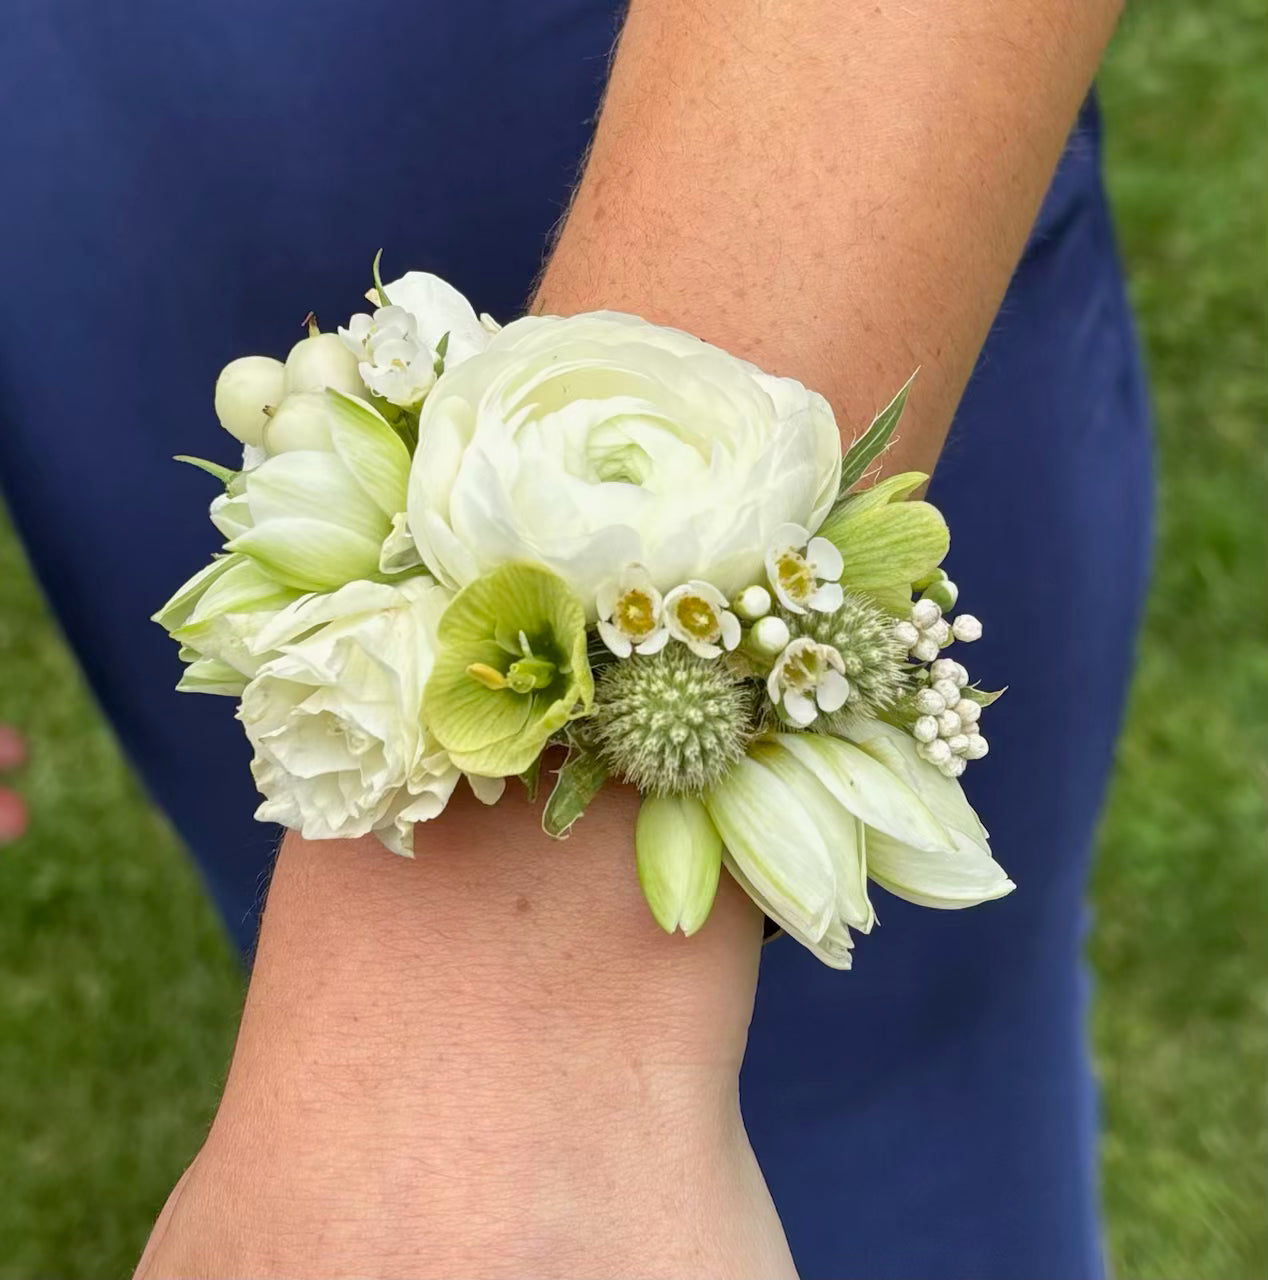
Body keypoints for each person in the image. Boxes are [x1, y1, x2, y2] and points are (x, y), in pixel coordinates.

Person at [0, 2, 1151, 1276]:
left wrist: (493, 989)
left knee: (874, 1109)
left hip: (808, 171)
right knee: (281, 860)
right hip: (84, 186)